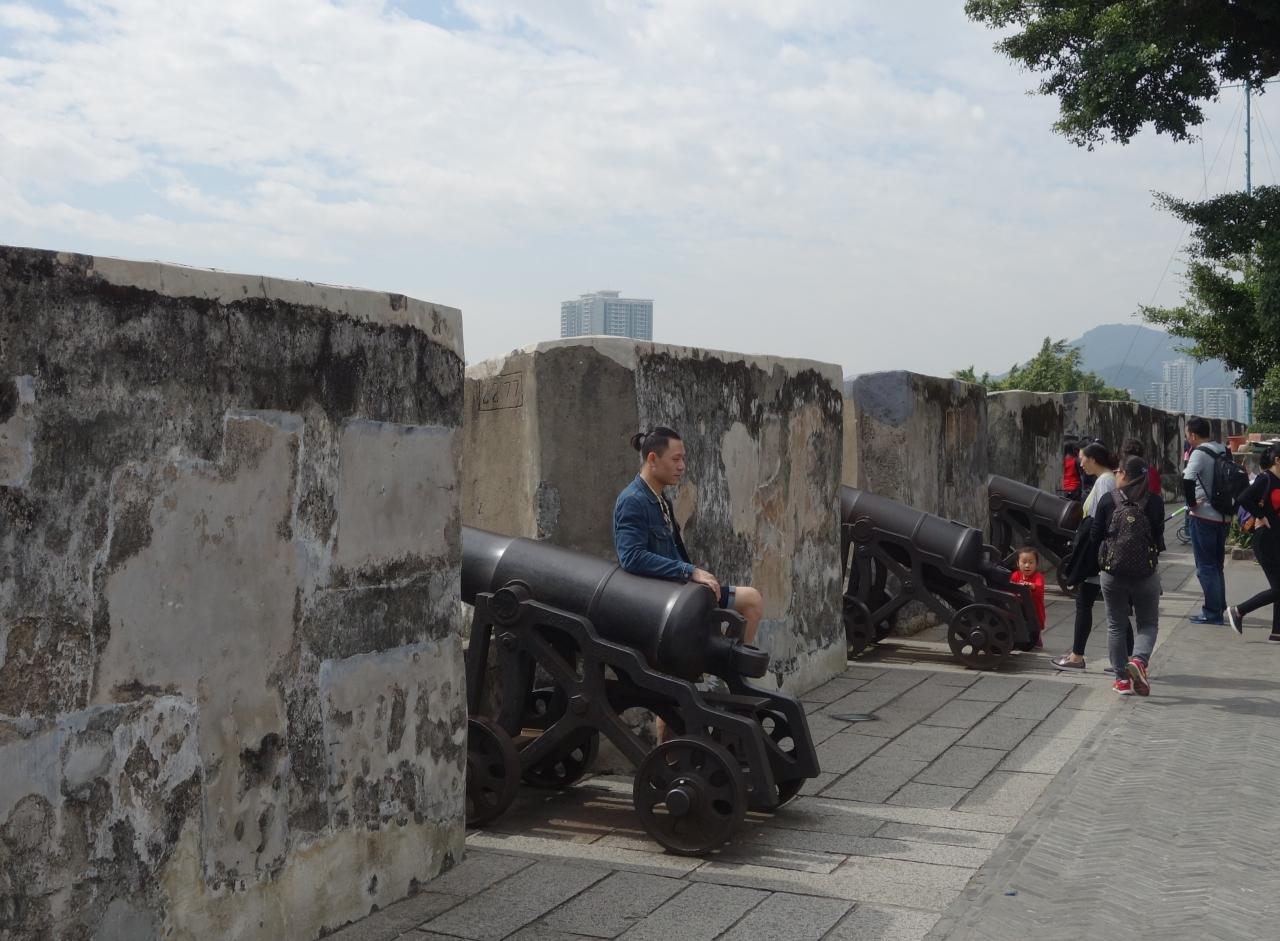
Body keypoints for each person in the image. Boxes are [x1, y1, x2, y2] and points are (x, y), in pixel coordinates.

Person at [613, 426, 764, 646]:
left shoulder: (661, 499)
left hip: (682, 593)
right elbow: (631, 557)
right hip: (664, 602)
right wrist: (690, 571)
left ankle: (732, 664)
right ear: (653, 459)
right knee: (750, 600)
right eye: (676, 459)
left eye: (683, 459)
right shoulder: (633, 501)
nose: (682, 466)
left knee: (752, 601)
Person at [1053, 442, 1129, 669]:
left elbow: (1104, 518)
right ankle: (1126, 660)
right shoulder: (1105, 479)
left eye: (1083, 458)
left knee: (1095, 605)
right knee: (1111, 607)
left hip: (1098, 552)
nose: (1080, 463)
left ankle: (1079, 657)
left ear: (1093, 459)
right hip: (1100, 551)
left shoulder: (1105, 481)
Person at [1097, 455, 1167, 696]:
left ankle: (1121, 681)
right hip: (1145, 574)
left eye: (1117, 471)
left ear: (1124, 474)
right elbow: (1157, 536)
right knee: (1147, 623)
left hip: (1112, 573)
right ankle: (1138, 660)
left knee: (1116, 624)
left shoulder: (1108, 500)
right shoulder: (1155, 502)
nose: (1115, 474)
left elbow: (1096, 534)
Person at [1226, 444, 1280, 640]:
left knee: (1277, 587)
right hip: (1265, 540)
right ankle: (1239, 610)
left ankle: (1277, 632)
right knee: (1278, 588)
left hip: (1276, 540)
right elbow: (1243, 498)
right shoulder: (1266, 478)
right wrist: (1260, 515)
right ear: (1277, 460)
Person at [1183, 417, 1230, 625]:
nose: (1187, 438)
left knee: (1205, 566)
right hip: (1224, 516)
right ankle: (1219, 606)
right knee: (1217, 565)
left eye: (1187, 434)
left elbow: (1187, 479)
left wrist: (1192, 504)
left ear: (1193, 435)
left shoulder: (1199, 453)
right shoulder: (1223, 449)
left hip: (1204, 517)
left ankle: (1212, 613)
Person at [1009, 546, 1045, 648]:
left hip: (1034, 606)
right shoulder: (1015, 575)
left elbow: (1038, 586)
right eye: (1024, 562)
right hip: (1020, 606)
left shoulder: (1038, 576)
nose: (1027, 565)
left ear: (1036, 564)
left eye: (1031, 562)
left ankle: (1037, 638)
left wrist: (1031, 586)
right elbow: (1009, 586)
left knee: (1036, 623)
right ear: (1018, 563)